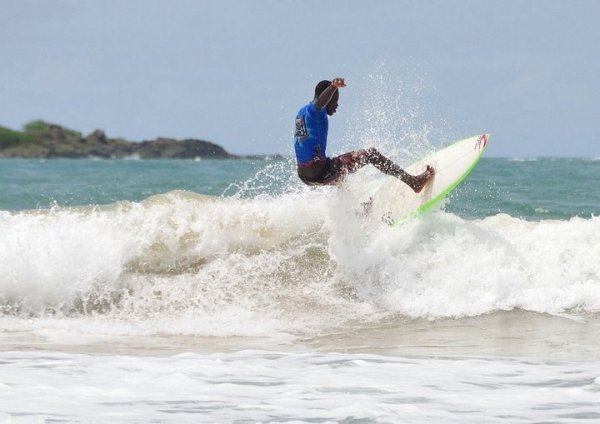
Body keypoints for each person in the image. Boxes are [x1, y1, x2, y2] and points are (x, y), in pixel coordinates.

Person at [294, 77, 435, 192]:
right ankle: (414, 183)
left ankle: (357, 213)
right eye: (335, 101)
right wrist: (333, 86)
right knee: (371, 154)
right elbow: (320, 103)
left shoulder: (302, 112)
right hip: (319, 171)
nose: (337, 105)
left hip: (305, 175)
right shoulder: (315, 110)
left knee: (341, 179)